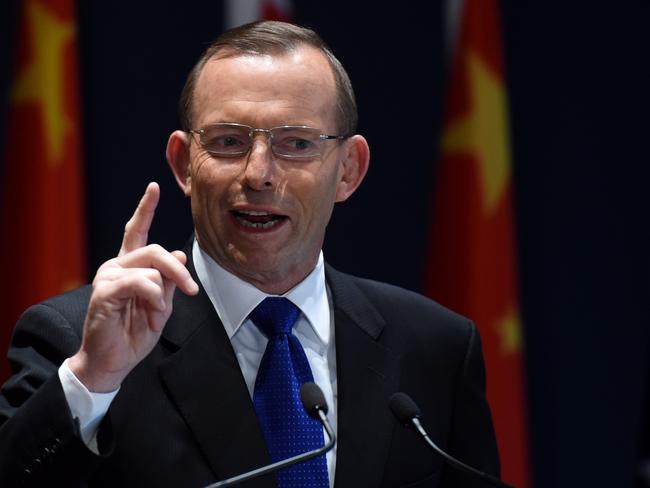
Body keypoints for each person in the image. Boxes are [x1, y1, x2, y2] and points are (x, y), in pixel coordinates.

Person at [0, 21, 499, 487]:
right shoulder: (78, 338)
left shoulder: (434, 348)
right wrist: (95, 380)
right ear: (183, 164)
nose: (258, 173)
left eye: (297, 144)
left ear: (349, 169)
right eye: (229, 141)